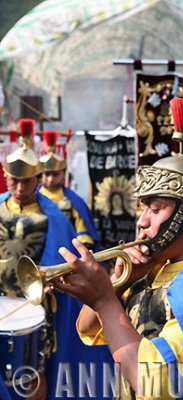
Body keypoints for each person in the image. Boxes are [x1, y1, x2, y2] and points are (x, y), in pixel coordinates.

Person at [53, 98, 183, 398]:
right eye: (143, 209)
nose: (141, 221)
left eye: (154, 209)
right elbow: (91, 330)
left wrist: (104, 300)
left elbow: (155, 383)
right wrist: (117, 284)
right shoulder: (160, 264)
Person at [0, 119, 112, 399]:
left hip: (39, 309)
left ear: (37, 179)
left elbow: (70, 260)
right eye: (13, 180)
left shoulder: (57, 219)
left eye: (26, 180)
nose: (19, 187)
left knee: (34, 374)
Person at [39, 130, 101, 252]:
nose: (51, 179)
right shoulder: (32, 197)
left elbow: (82, 231)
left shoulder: (73, 201)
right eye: (47, 174)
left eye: (55, 174)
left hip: (65, 251)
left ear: (63, 173)